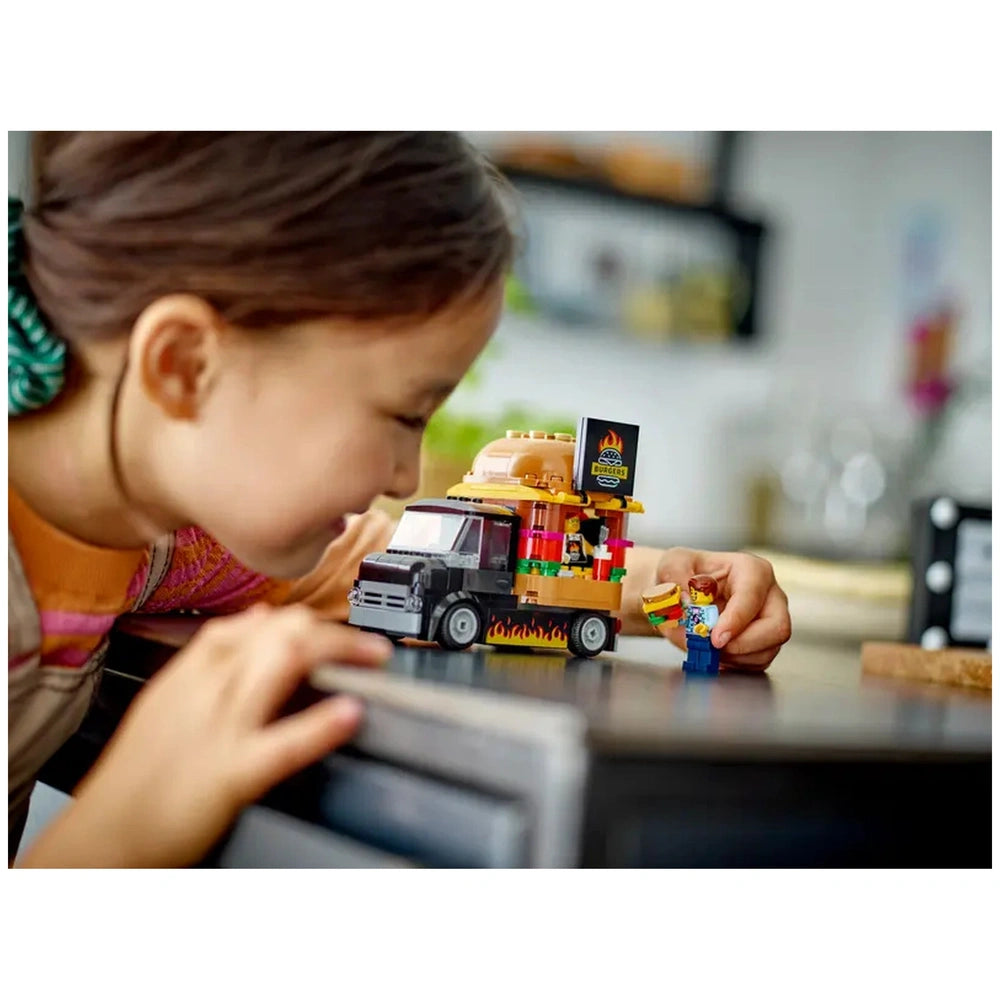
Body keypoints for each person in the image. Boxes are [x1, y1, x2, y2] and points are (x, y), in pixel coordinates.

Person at [8, 132, 791, 867]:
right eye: (403, 416)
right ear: (184, 367)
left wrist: (654, 582)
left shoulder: (167, 546)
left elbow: (419, 564)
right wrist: (127, 827)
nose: (404, 476)